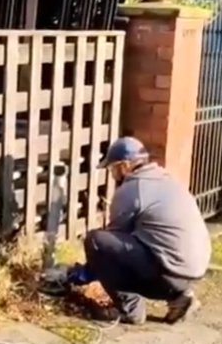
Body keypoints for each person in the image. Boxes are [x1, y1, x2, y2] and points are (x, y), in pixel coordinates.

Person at [81, 136, 211, 325]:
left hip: (168, 272)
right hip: (193, 270)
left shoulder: (132, 189)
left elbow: (113, 242)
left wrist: (89, 270)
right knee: (146, 246)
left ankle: (129, 310)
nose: (112, 174)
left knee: (96, 240)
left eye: (112, 168)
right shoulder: (166, 178)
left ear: (125, 165)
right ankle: (180, 298)